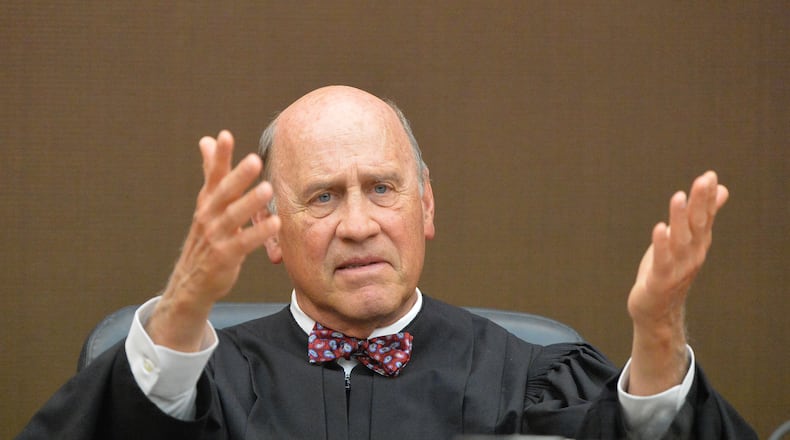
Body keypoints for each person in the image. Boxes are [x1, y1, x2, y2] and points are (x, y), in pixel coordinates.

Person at [18, 85, 756, 439]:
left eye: (382, 188)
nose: (360, 225)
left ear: (426, 208)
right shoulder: (199, 388)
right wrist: (184, 304)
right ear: (270, 232)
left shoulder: (530, 375)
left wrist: (659, 333)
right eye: (323, 198)